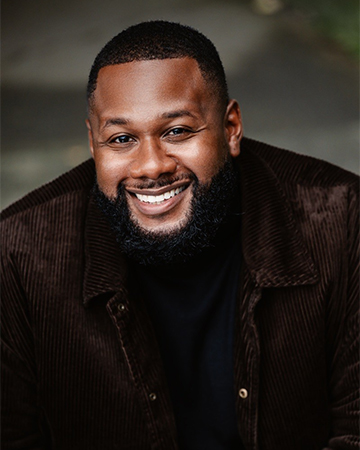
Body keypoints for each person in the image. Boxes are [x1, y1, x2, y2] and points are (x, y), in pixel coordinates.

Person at [1, 20, 358, 450]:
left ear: (230, 129)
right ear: (94, 144)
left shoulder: (341, 219)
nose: (151, 165)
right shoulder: (19, 253)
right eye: (121, 138)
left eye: (177, 131)